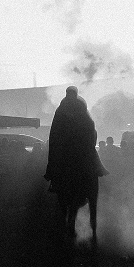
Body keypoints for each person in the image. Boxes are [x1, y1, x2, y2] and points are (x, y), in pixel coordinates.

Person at [45, 86, 108, 241]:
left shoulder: (71, 108)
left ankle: (54, 178)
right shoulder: (68, 109)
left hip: (74, 147)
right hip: (73, 147)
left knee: (81, 154)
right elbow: (57, 134)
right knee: (87, 155)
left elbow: (57, 133)